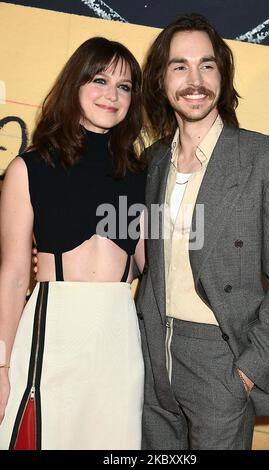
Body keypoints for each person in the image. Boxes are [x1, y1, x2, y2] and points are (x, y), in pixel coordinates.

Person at [136, 13, 269, 450]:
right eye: (180, 66)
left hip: (220, 360)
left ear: (223, 75)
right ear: (160, 80)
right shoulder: (152, 162)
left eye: (207, 65)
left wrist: (246, 373)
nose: (195, 80)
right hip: (152, 353)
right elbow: (148, 259)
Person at [0, 36, 146, 450]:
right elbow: (12, 278)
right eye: (100, 79)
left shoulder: (141, 173)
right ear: (75, 84)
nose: (112, 95)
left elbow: (153, 264)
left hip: (119, 340)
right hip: (52, 335)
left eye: (124, 87)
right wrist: (1, 364)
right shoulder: (29, 168)